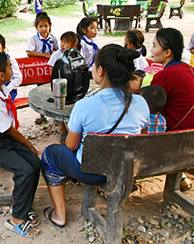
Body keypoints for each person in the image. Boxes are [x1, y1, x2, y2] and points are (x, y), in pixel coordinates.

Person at [40, 44, 149, 228]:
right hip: (127, 171)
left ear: (100, 70)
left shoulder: (84, 106)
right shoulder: (141, 103)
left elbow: (71, 146)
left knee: (50, 154)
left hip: (90, 172)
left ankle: (59, 215)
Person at [0, 52, 41, 237]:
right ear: (1, 75)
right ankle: (16, 219)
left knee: (35, 163)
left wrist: (29, 148)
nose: (12, 69)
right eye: (10, 67)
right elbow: (10, 130)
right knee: (25, 170)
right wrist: (28, 144)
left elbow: (8, 130)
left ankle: (24, 205)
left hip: (2, 136)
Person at [150, 28, 194, 131]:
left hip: (185, 135)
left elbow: (148, 106)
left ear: (167, 52)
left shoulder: (165, 75)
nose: (151, 50)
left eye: (154, 46)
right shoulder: (188, 68)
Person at [48, 31, 80, 144]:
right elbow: (52, 71)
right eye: (61, 42)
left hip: (73, 85)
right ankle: (62, 129)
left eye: (66, 43)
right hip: (59, 84)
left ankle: (73, 129)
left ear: (74, 44)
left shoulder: (76, 55)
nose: (62, 45)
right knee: (60, 106)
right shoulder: (56, 55)